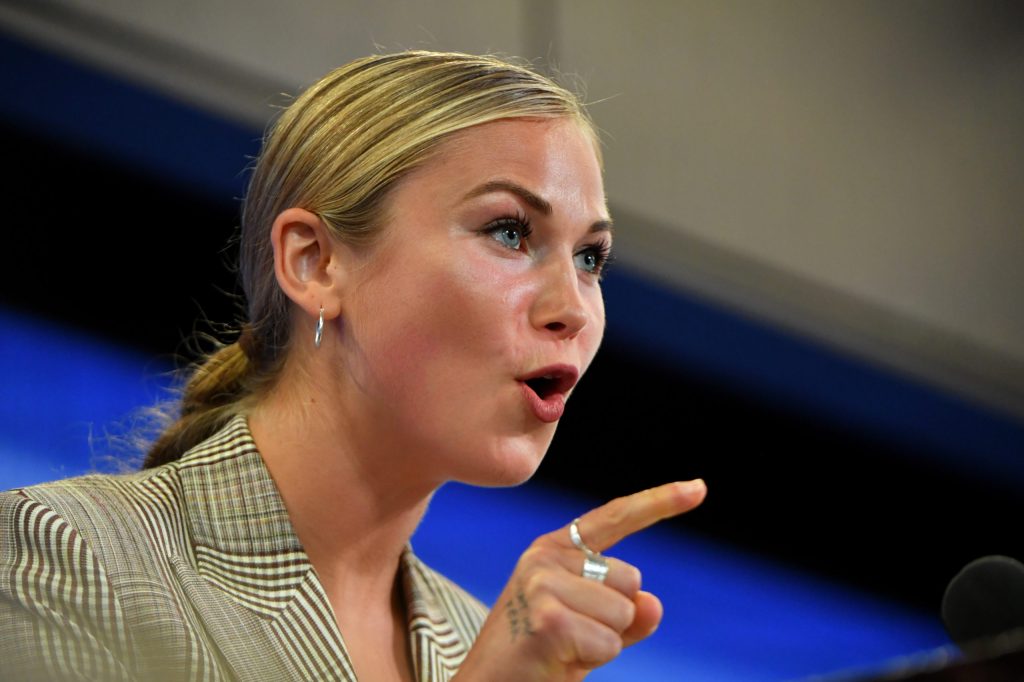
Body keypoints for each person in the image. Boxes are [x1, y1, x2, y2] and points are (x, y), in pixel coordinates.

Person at [0, 50, 706, 681]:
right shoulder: (64, 556)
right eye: (510, 232)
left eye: (590, 258)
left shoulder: (479, 642)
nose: (574, 309)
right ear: (315, 262)